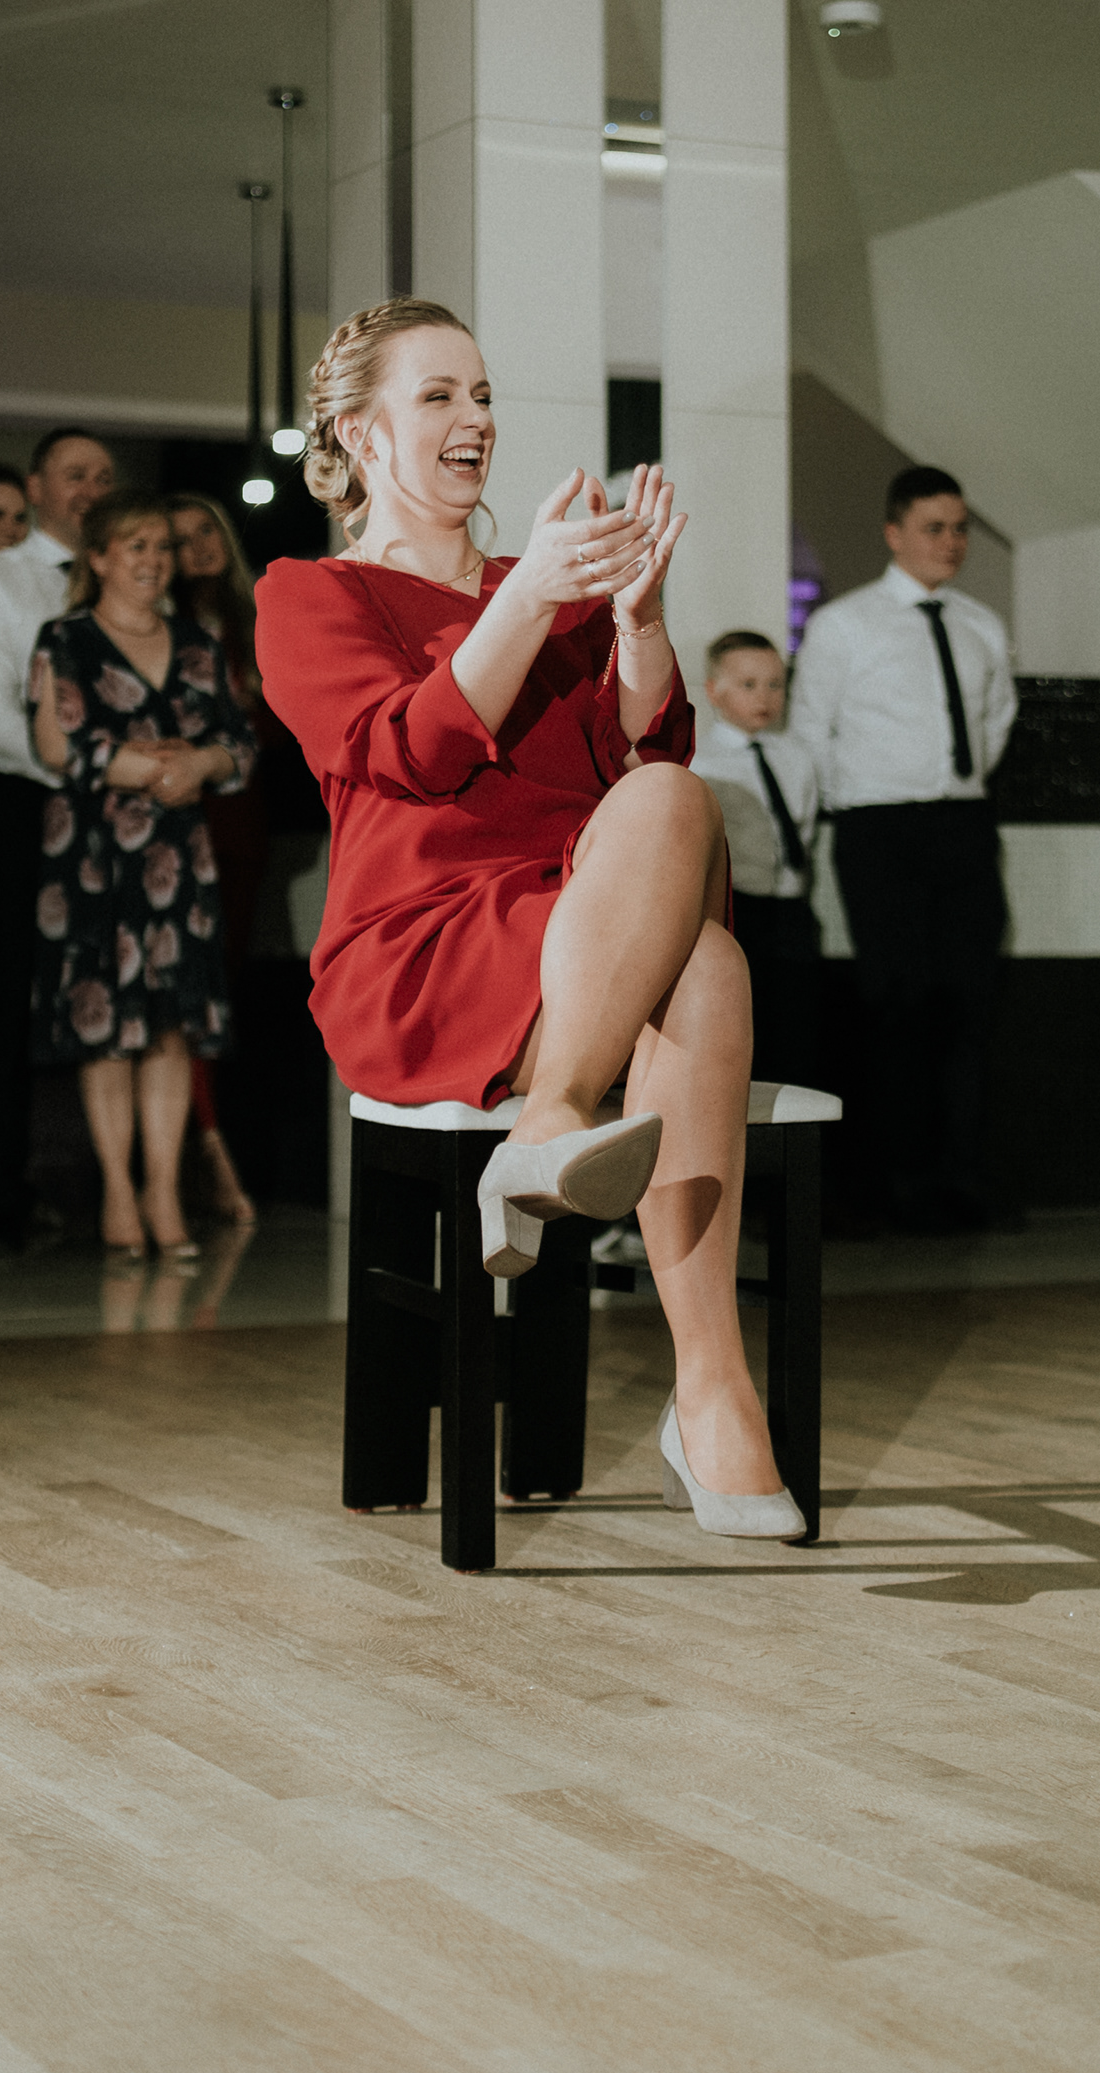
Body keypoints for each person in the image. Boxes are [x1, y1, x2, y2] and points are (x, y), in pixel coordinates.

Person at [255, 298, 801, 1539]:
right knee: (706, 949)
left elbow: (644, 756)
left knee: (685, 848)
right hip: (424, 942)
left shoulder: (542, 586)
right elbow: (413, 753)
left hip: (584, 927)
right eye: (440, 395)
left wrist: (638, 621)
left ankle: (692, 1354)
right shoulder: (309, 593)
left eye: (485, 395)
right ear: (361, 432)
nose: (477, 419)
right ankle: (697, 1371)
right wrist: (531, 601)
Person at [788, 465, 1017, 1229]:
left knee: (970, 1003)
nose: (951, 543)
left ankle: (961, 1182)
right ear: (895, 533)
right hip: (879, 829)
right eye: (934, 528)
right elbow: (811, 732)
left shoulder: (983, 626)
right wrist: (861, 802)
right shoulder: (844, 625)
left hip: (963, 827)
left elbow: (995, 723)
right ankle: (894, 1185)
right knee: (896, 1004)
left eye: (960, 529)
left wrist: (953, 792)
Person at [29, 488, 246, 1258]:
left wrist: (202, 764)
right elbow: (56, 747)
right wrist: (149, 770)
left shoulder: (197, 642)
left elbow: (239, 745)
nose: (153, 561)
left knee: (169, 1029)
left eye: (161, 547)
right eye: (135, 547)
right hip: (95, 856)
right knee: (107, 1031)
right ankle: (118, 1192)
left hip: (178, 855)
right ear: (98, 558)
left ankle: (163, 1191)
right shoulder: (66, 638)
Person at [0, 425, 116, 1244]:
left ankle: (107, 1189)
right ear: (37, 487)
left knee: (111, 998)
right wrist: (88, 769)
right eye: (74, 474)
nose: (91, 490)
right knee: (13, 1004)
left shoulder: (126, 580)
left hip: (116, 814)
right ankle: (4, 1195)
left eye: (103, 477)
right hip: (25, 804)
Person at [169, 489, 266, 1226]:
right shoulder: (159, 625)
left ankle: (208, 1149)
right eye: (178, 538)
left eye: (206, 531)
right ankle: (202, 1151)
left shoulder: (254, 616)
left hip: (240, 819)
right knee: (183, 994)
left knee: (224, 988)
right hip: (175, 815)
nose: (195, 546)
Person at [691, 629, 825, 1086]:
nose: (764, 697)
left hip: (791, 908)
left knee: (797, 1027)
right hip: (737, 908)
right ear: (714, 691)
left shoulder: (797, 757)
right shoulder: (701, 761)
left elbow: (804, 826)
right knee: (744, 1023)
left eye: (774, 684)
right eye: (748, 685)